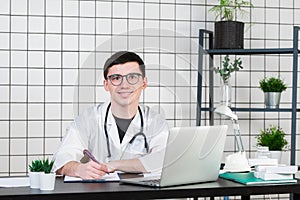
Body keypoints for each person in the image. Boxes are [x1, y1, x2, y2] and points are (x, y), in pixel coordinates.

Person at [53, 51, 169, 180]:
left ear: (144, 83)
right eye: (116, 78)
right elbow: (62, 159)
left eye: (132, 77)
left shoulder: (156, 122)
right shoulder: (88, 119)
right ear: (106, 85)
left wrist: (114, 165)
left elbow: (163, 160)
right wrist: (78, 169)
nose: (124, 85)